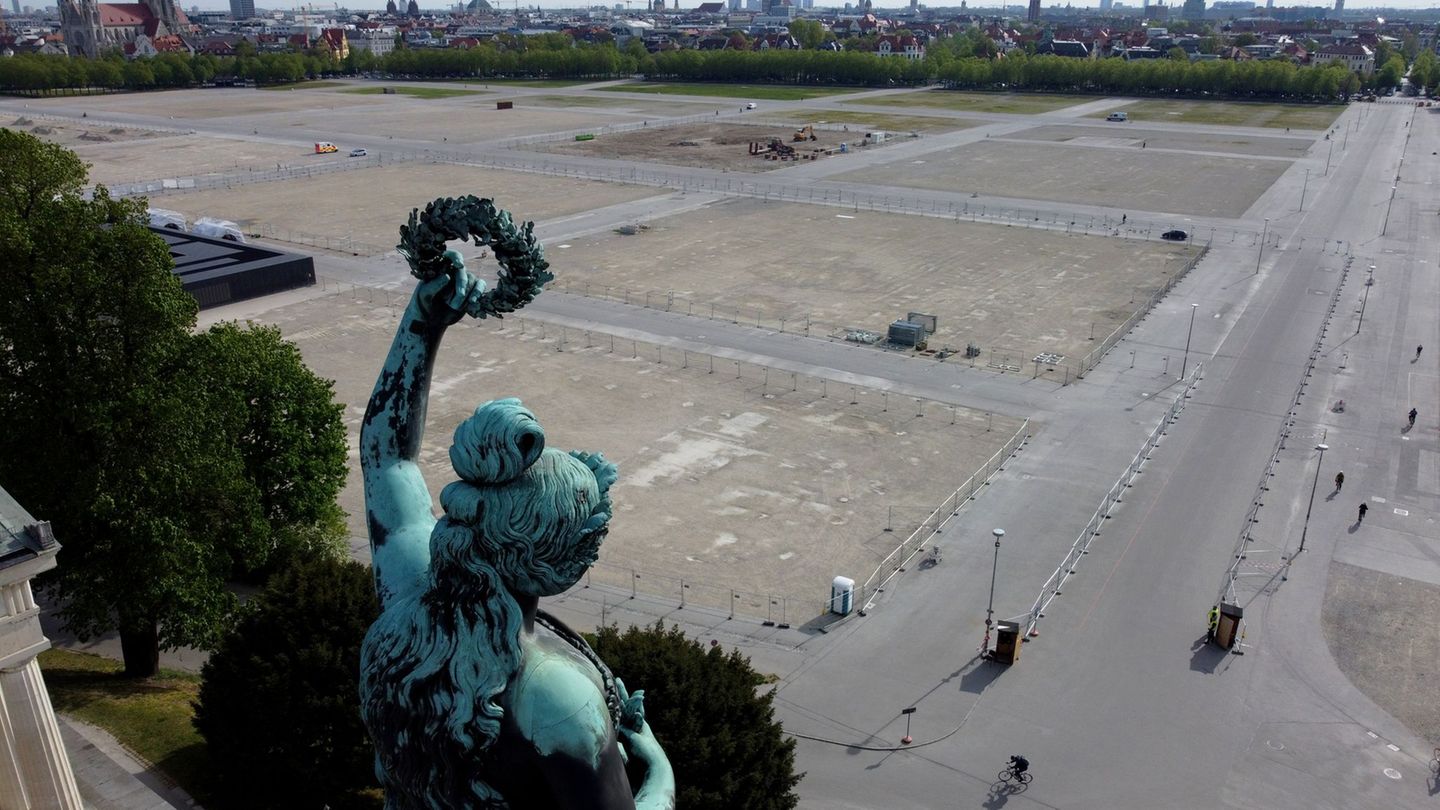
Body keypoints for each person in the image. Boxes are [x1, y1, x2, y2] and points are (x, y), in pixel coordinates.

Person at [359, 239, 673, 808]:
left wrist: (422, 325)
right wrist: (659, 770)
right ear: (556, 562)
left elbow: (387, 458)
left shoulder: (409, 598)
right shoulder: (554, 700)